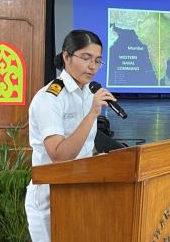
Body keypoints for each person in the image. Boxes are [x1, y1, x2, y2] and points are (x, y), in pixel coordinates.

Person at [25, 30, 116, 242]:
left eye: (97, 60)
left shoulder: (87, 94)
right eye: (85, 58)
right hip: (51, 198)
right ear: (67, 57)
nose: (92, 66)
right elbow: (59, 155)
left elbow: (86, 146)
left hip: (80, 193)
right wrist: (93, 113)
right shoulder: (50, 98)